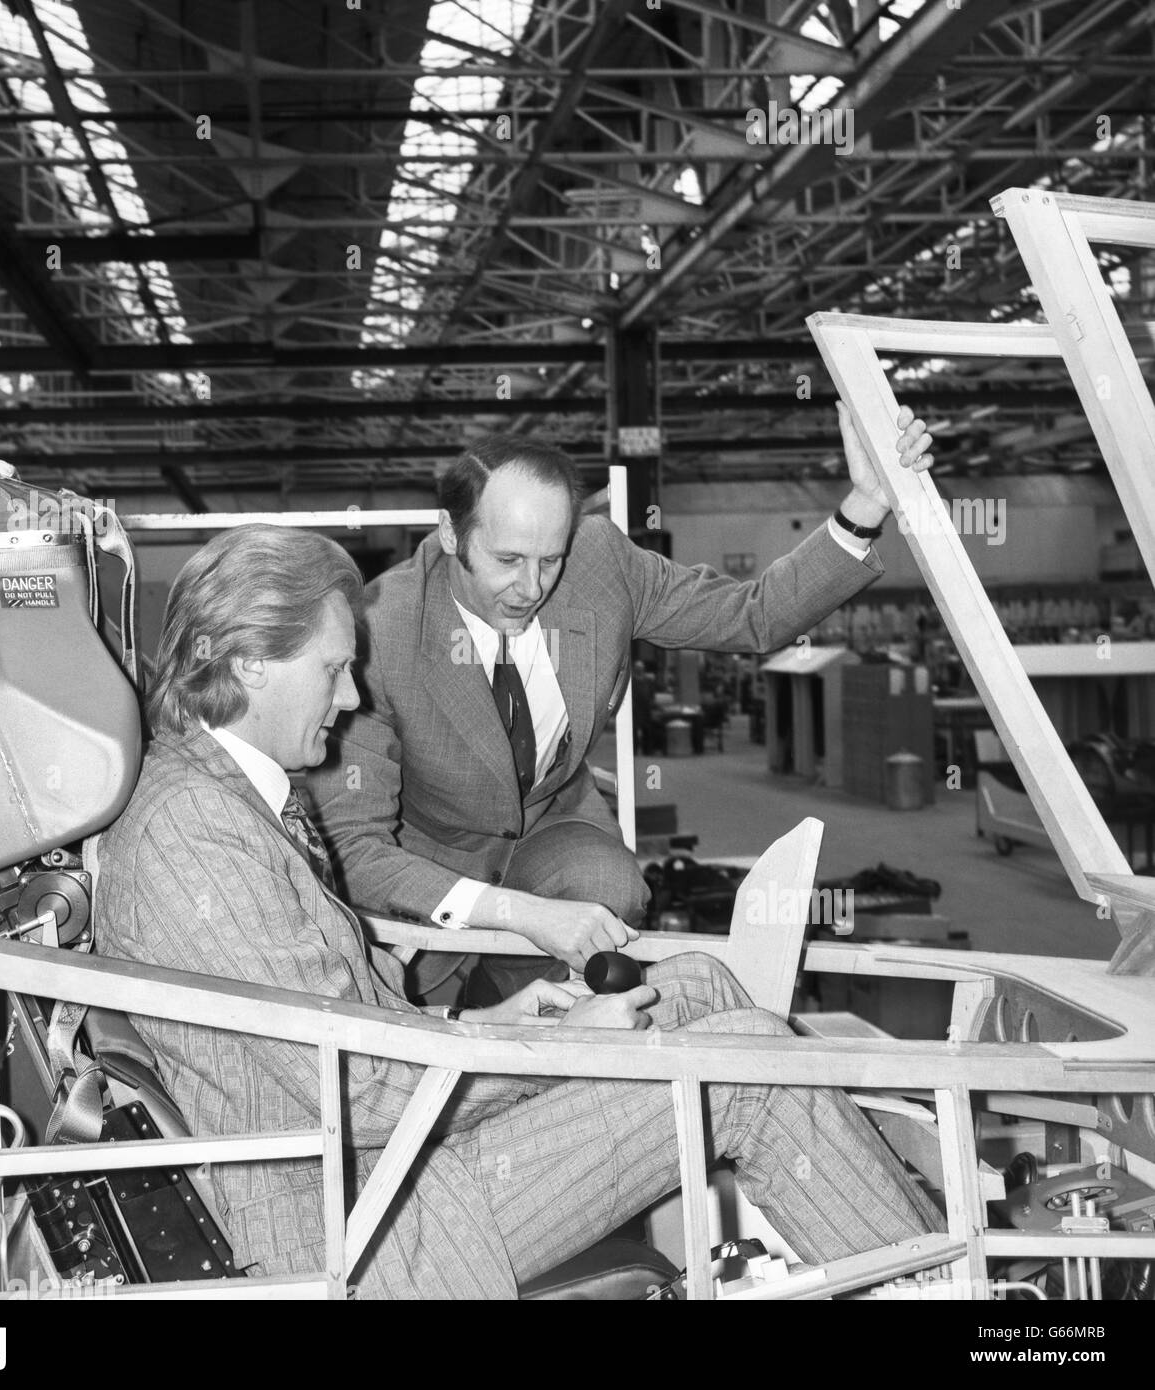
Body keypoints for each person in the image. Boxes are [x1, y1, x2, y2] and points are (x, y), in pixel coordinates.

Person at [94, 524, 941, 1298]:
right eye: (333, 668)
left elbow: (347, 1043)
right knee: (749, 1067)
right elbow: (361, 1089)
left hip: (385, 1158)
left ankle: (860, 1223)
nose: (351, 698)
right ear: (248, 662)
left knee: (693, 986)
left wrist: (494, 1019)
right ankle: (944, 1289)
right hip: (369, 1224)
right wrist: (557, 1047)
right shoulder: (195, 834)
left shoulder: (233, 800)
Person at [301, 404, 935, 1003]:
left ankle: (508, 1015)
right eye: (506, 560)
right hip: (427, 856)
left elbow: (755, 616)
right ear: (449, 533)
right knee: (410, 1025)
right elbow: (353, 847)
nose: (531, 588)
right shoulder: (380, 632)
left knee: (607, 895)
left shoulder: (601, 564)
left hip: (550, 821)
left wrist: (866, 505)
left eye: (550, 559)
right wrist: (520, 913)